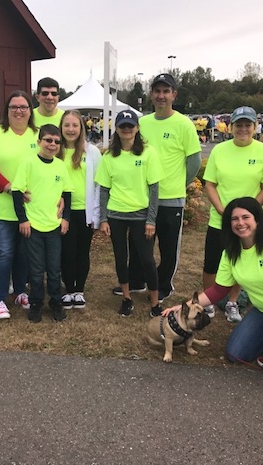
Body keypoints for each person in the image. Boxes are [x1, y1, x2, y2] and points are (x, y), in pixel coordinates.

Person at [164, 197, 263, 384]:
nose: (240, 223)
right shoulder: (230, 252)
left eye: (245, 217)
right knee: (236, 353)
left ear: (257, 219)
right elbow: (218, 291)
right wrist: (182, 306)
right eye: (234, 219)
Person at [115, 73, 202, 303]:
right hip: (142, 197)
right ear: (151, 94)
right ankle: (137, 281)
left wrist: (178, 183)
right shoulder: (142, 123)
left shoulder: (184, 124)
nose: (161, 96)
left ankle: (164, 285)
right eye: (157, 91)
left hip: (171, 198)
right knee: (139, 243)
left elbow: (193, 161)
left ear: (174, 94)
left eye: (166, 91)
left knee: (168, 245)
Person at [202, 106, 263, 322]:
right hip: (220, 220)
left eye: (247, 125)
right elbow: (210, 184)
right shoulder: (219, 150)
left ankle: (233, 301)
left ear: (255, 127)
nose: (243, 129)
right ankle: (208, 303)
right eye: (238, 125)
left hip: (248, 225)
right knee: (211, 263)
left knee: (241, 263)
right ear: (231, 127)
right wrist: (224, 213)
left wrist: (247, 215)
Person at [96, 110, 164, 317]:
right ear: (116, 129)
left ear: (137, 128)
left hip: (141, 215)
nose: (127, 129)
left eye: (130, 125)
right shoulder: (109, 156)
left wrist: (151, 219)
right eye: (122, 126)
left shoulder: (148, 152)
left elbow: (154, 189)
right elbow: (104, 190)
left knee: (147, 259)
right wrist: (103, 219)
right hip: (116, 215)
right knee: (120, 258)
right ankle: (126, 298)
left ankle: (154, 302)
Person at [0, 91, 39, 319]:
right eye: (14, 107)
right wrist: (9, 187)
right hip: (2, 207)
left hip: (30, 207)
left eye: (23, 107)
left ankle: (20, 290)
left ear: (30, 110)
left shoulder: (37, 134)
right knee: (4, 253)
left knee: (24, 253)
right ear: (7, 110)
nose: (19, 111)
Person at [12, 124, 73, 322]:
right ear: (39, 141)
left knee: (54, 269)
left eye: (56, 141)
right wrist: (23, 220)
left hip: (54, 226)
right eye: (48, 140)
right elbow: (17, 191)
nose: (52, 144)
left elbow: (67, 192)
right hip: (34, 227)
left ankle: (55, 302)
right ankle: (36, 302)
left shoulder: (60, 166)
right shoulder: (28, 163)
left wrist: (66, 218)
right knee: (36, 270)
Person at [58, 110, 102, 309]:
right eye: (67, 125)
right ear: (61, 127)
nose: (70, 129)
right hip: (62, 212)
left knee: (82, 252)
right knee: (66, 252)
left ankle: (79, 290)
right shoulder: (55, 149)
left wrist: (97, 213)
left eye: (75, 125)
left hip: (85, 211)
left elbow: (99, 183)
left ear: (81, 128)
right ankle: (68, 290)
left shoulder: (91, 151)